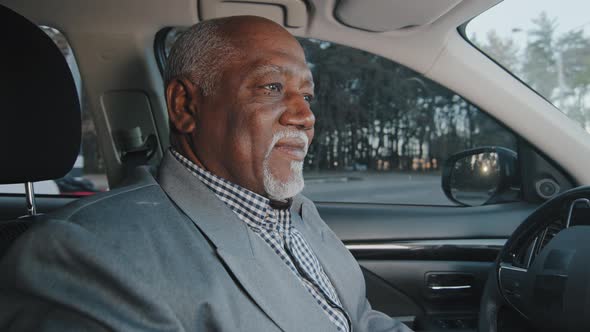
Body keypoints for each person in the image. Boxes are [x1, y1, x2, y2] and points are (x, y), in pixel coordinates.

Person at [0, 16, 412, 332]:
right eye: (271, 87)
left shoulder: (298, 215)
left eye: (307, 95)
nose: (305, 115)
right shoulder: (88, 255)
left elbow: (360, 319)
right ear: (184, 106)